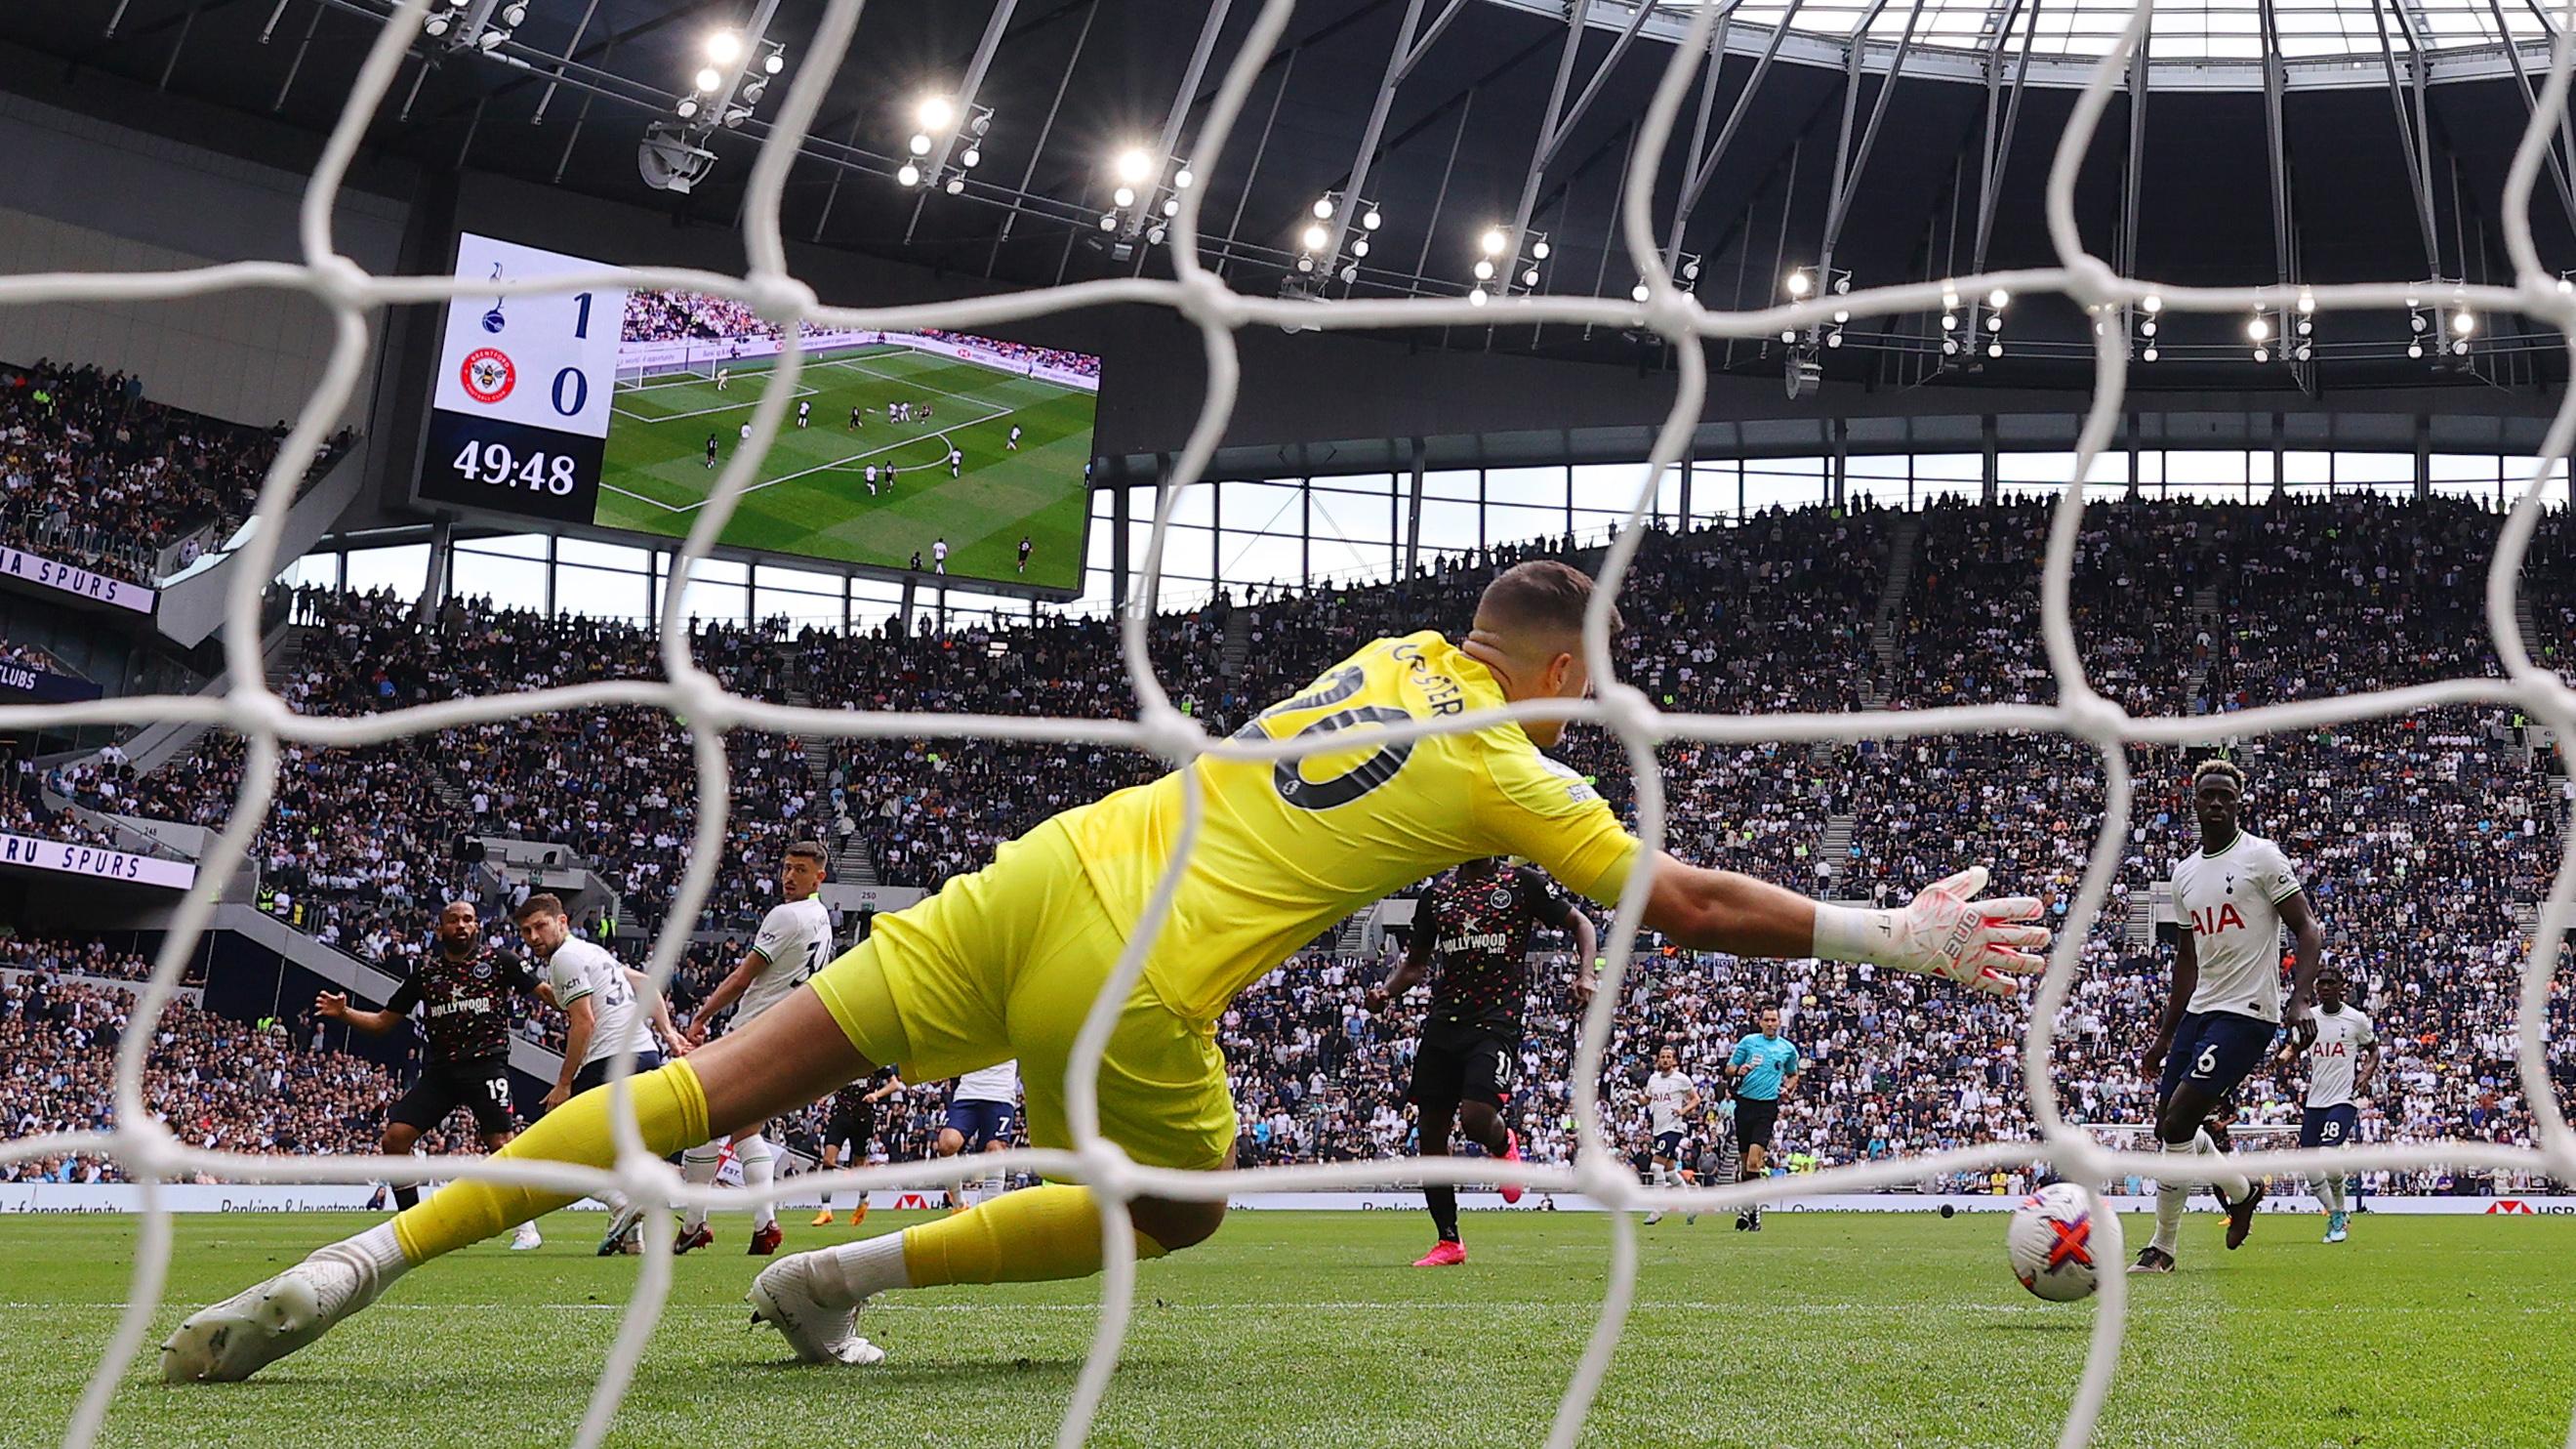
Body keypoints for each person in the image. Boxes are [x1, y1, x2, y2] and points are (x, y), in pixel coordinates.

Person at [161, 559, 2048, 1382]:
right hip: (1134, 972)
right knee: (1181, 1210)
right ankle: (836, 1269)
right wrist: (1899, 934)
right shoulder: (1504, 753)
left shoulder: (1390, 654)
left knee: (713, 1090)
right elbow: (1681, 904)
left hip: (1041, 869)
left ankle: (354, 1255)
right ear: (1558, 669)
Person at [2130, 759, 2324, 1274]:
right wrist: (2165, 1034)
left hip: (2248, 1012)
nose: (2216, 803)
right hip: (2200, 1010)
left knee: (2179, 1120)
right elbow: (2187, 960)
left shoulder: (2261, 857)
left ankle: (2162, 1248)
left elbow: (2308, 927)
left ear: (2239, 803)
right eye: (2207, 796)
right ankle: (2241, 1190)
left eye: (2226, 796)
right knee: (2166, 1127)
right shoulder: (2185, 874)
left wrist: (2299, 999)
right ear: (2192, 803)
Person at [601, 844, 835, 1256]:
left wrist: (702, 1016)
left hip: (752, 1031)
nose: (789, 877)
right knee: (738, 1127)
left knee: (705, 1119)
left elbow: (745, 976)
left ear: (819, 877)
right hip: (787, 1035)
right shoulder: (823, 920)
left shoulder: (787, 915)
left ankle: (711, 1223)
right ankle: (746, 1225)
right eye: (785, 868)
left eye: (800, 870)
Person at [1376, 856, 1595, 1264]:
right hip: (1443, 1024)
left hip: (1495, 1021)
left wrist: (1586, 973)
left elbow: (1581, 924)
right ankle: (1449, 1241)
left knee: (1476, 1118)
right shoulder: (1437, 896)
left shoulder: (1520, 883)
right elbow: (1416, 964)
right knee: (1431, 1135)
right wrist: (1387, 992)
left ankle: (1502, 1142)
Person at [314, 901, 545, 1252]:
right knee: (395, 1140)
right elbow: (381, 1024)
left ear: (477, 927)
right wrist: (344, 1012)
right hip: (441, 1072)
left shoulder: (500, 962)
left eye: (468, 919)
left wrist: (585, 1000)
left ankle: (526, 1227)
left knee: (500, 1145)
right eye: (453, 920)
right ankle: (415, 1223)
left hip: (486, 1066)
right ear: (440, 930)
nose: (462, 926)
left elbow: (545, 994)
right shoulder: (425, 975)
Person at [2283, 965, 2376, 1243]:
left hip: (2343, 1098)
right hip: (2316, 1100)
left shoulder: (2355, 1019)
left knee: (2328, 1152)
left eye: (2329, 983)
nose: (2324, 987)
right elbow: (2296, 1047)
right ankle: (2336, 1212)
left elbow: (2373, 1051)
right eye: (2320, 983)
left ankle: (2338, 1215)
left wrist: (2365, 1072)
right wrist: (2281, 1059)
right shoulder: (2309, 1018)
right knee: (2310, 1162)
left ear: (2340, 986)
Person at [1725, 1007, 1800, 1231]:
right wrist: (1738, 1070)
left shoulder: (1787, 1049)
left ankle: (1753, 1211)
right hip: (1744, 1105)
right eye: (1766, 1020)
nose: (1770, 1023)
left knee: (1754, 1162)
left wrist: (1788, 1088)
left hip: (1766, 1108)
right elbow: (1729, 1068)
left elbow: (1793, 1074)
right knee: (1745, 1167)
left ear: (1779, 1022)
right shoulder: (1748, 1042)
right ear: (1760, 1022)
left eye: (1773, 1020)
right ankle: (1748, 1210)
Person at [811, 1066, 904, 1226]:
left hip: (863, 1119)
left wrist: (876, 1094)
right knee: (828, 1160)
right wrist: (825, 1096)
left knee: (859, 1165)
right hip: (840, 1116)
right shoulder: (841, 1061)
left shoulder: (873, 1062)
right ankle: (826, 1209)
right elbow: (837, 1083)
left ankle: (863, 1200)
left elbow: (894, 1084)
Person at [933, 1060, 1021, 1212]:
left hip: (1000, 1095)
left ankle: (989, 1212)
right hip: (967, 1093)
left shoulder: (1014, 1036)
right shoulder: (970, 1035)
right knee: (946, 1144)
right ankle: (959, 1205)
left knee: (995, 1150)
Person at [1639, 1047, 1698, 1227]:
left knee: (1655, 1167)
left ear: (1673, 1060)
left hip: (1673, 1128)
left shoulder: (1681, 1079)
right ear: (1658, 1060)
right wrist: (1637, 1098)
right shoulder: (1653, 1079)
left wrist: (1683, 1111)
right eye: (1662, 1057)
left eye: (1668, 1057)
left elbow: (1696, 1099)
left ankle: (1657, 1210)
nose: (1665, 1060)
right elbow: (1647, 1100)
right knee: (1669, 1172)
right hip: (1658, 1129)